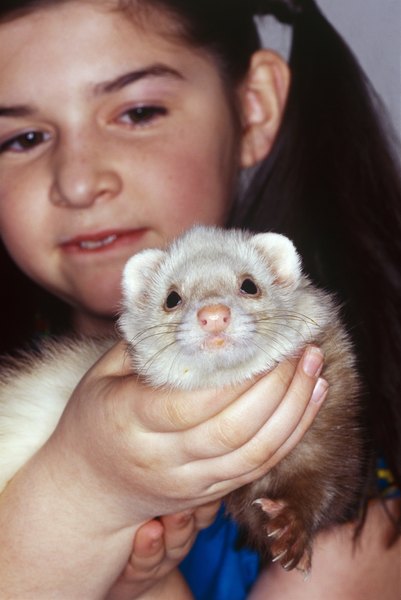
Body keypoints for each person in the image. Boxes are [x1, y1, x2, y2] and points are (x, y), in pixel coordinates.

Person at [0, 1, 399, 599]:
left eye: (137, 112)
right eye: (24, 136)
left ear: (255, 107)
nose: (79, 183)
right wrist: (87, 492)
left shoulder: (358, 525)